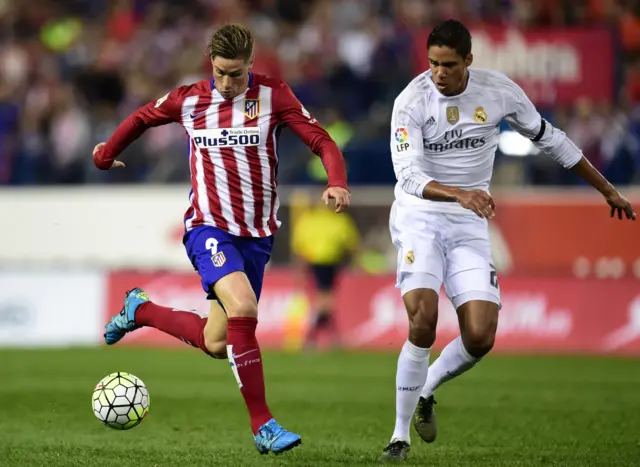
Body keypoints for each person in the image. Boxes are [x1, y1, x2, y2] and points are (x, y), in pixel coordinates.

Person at [380, 19, 635, 462]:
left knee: (479, 336)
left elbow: (550, 139)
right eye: (434, 64)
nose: (439, 73)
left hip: (470, 222)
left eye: (449, 65)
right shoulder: (411, 102)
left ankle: (426, 390)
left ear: (469, 62)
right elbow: (410, 176)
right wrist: (460, 192)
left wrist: (607, 188)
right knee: (422, 318)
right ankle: (398, 438)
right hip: (420, 217)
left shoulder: (499, 91)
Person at [92, 24, 350, 455]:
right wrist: (105, 153)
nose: (228, 83)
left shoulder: (273, 95)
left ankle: (141, 309)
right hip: (208, 227)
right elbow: (141, 117)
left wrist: (336, 181)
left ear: (251, 63)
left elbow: (321, 141)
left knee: (217, 342)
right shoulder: (189, 99)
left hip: (256, 237)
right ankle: (263, 425)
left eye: (236, 73)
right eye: (220, 72)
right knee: (245, 308)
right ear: (210, 62)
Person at [290, 197, 360, 349]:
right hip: (324, 262)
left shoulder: (308, 219)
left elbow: (298, 245)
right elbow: (351, 243)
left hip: (322, 262)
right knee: (326, 300)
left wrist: (300, 266)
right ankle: (316, 336)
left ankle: (323, 336)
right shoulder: (337, 220)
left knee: (325, 300)